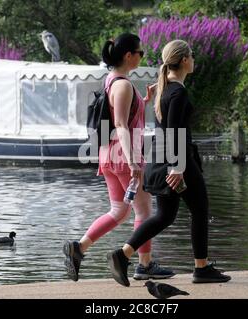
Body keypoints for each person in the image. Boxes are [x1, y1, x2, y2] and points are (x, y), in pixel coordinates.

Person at [106, 40, 232, 287]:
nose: (194, 60)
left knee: (165, 215)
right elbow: (174, 130)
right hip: (178, 160)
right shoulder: (178, 91)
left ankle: (122, 255)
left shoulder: (166, 90)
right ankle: (201, 268)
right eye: (192, 56)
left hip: (164, 158)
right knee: (200, 209)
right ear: (184, 60)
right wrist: (178, 166)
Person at [63, 33, 174, 282]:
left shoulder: (112, 80)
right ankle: (144, 265)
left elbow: (120, 115)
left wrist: (142, 101)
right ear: (128, 55)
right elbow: (121, 124)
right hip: (124, 156)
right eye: (140, 53)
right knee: (144, 212)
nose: (141, 56)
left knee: (118, 211)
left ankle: (78, 248)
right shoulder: (123, 84)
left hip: (109, 154)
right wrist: (134, 161)